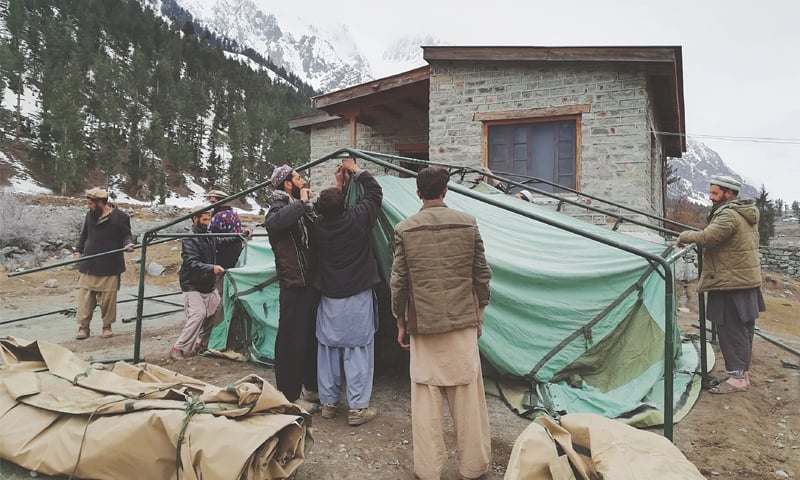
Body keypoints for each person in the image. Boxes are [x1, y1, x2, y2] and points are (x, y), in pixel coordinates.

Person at [390, 166, 493, 480]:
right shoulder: (468, 223)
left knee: (426, 401)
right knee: (468, 400)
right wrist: (480, 311)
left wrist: (400, 321)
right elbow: (482, 275)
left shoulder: (405, 229)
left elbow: (399, 282)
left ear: (418, 193)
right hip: (462, 321)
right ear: (446, 191)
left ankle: (429, 469)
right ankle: (474, 468)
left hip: (424, 323)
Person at [677, 175, 765, 394]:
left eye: (715, 193)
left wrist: (684, 236)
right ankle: (741, 372)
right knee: (743, 329)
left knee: (730, 329)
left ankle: (737, 378)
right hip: (744, 279)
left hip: (730, 282)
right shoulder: (745, 212)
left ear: (729, 194)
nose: (711, 197)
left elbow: (709, 236)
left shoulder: (728, 214)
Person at [312, 158, 383, 426]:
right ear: (345, 205)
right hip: (357, 297)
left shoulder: (318, 227)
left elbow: (329, 209)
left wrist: (339, 186)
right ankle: (357, 408)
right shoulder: (357, 219)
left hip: (329, 297)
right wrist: (357, 172)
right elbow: (375, 193)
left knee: (328, 352)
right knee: (357, 353)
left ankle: (328, 404)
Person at [264, 164, 320, 412]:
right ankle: (289, 396)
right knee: (291, 340)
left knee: (309, 338)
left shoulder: (297, 208)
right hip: (293, 284)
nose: (303, 180)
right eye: (298, 178)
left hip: (308, 283)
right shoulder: (278, 209)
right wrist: (302, 204)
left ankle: (310, 388)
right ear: (287, 184)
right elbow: (275, 224)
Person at [73, 188, 134, 339]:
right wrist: (78, 251)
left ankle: (107, 326)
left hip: (110, 265)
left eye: (91, 204)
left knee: (108, 299)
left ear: (100, 203)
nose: (89, 206)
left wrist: (128, 244)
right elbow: (84, 235)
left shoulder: (121, 217)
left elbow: (127, 235)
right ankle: (84, 327)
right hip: (89, 263)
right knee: (85, 298)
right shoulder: (90, 215)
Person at [196, 189, 250, 353]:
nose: (211, 204)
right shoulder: (235, 215)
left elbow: (216, 241)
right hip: (236, 259)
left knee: (218, 298)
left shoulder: (218, 217)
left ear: (220, 201)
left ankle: (213, 335)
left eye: (213, 201)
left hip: (222, 261)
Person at [171, 211, 225, 360]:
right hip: (192, 283)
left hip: (208, 283)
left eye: (209, 219)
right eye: (205, 219)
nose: (208, 222)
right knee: (198, 314)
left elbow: (222, 240)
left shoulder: (208, 235)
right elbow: (191, 262)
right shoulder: (190, 238)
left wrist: (241, 235)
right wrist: (211, 268)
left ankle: (202, 343)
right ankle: (178, 347)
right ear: (195, 219)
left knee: (215, 311)